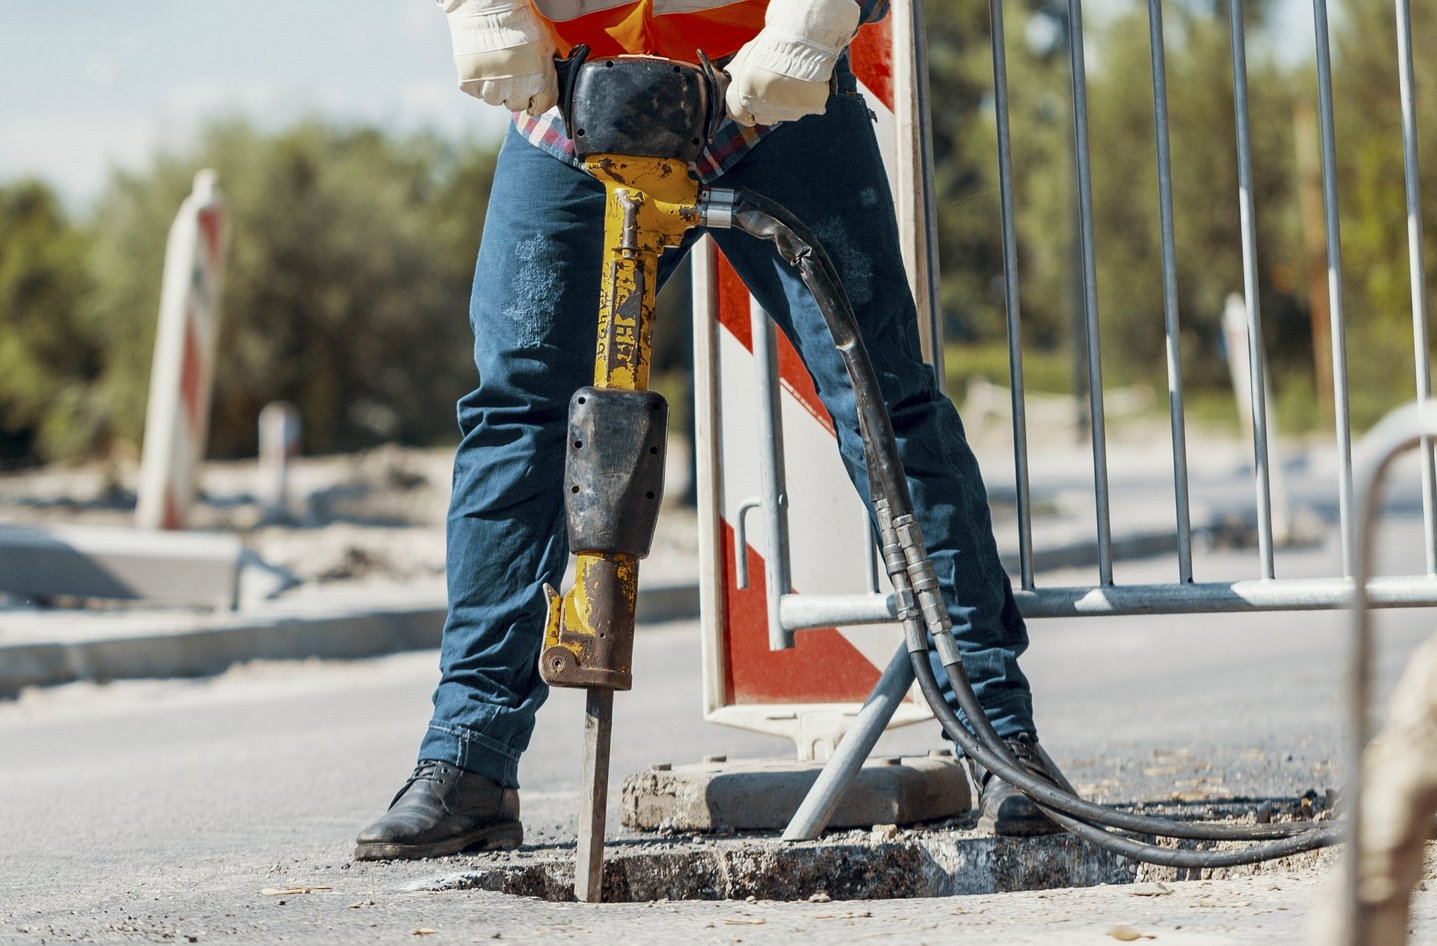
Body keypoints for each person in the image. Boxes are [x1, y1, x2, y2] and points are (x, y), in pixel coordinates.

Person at [355, 0, 1065, 860]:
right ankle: (467, 761)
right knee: (518, 410)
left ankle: (996, 738)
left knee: (881, 399)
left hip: (765, 77)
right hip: (577, 87)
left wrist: (807, 30)